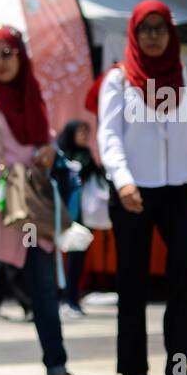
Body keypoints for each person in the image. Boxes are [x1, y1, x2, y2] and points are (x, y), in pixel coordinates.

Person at [0, 26, 96, 375]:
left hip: (31, 208)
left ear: (21, 55)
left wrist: (47, 152)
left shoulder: (32, 94)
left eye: (6, 53)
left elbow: (44, 142)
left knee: (45, 290)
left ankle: (57, 372)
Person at [98, 0, 187, 375]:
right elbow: (108, 136)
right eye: (145, 28)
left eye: (160, 28)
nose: (153, 36)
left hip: (179, 188)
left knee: (184, 277)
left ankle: (179, 368)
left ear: (170, 33)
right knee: (132, 281)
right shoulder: (119, 78)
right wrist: (123, 181)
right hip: (133, 191)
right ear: (134, 33)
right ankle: (133, 370)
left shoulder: (179, 73)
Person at [55, 120, 103, 317]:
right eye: (80, 131)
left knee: (77, 258)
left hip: (81, 216)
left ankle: (72, 299)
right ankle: (56, 299)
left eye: (87, 131)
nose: (84, 135)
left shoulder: (88, 156)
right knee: (54, 260)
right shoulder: (59, 155)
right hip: (59, 214)